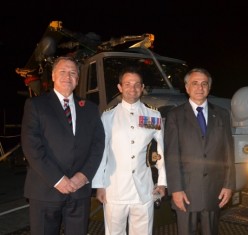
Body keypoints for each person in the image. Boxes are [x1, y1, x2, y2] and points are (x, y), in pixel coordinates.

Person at [21, 56, 105, 235]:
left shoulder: (90, 108)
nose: (68, 76)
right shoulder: (36, 105)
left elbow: (98, 146)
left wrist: (83, 176)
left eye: (73, 73)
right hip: (46, 190)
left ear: (78, 79)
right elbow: (32, 147)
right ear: (52, 76)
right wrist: (58, 179)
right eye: (63, 72)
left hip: (79, 191)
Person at [92, 66, 167, 235]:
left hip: (144, 189)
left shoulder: (152, 115)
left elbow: (160, 149)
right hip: (114, 189)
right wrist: (99, 185)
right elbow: (101, 152)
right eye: (127, 84)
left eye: (137, 84)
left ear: (142, 88)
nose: (132, 88)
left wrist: (162, 182)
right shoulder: (108, 116)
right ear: (120, 87)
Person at [164, 68, 236, 235]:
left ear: (209, 88)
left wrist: (229, 185)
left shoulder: (222, 114)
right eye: (195, 83)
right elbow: (172, 156)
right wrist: (175, 189)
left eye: (204, 84)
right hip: (186, 191)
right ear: (187, 87)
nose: (200, 87)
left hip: (214, 190)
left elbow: (228, 153)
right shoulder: (175, 115)